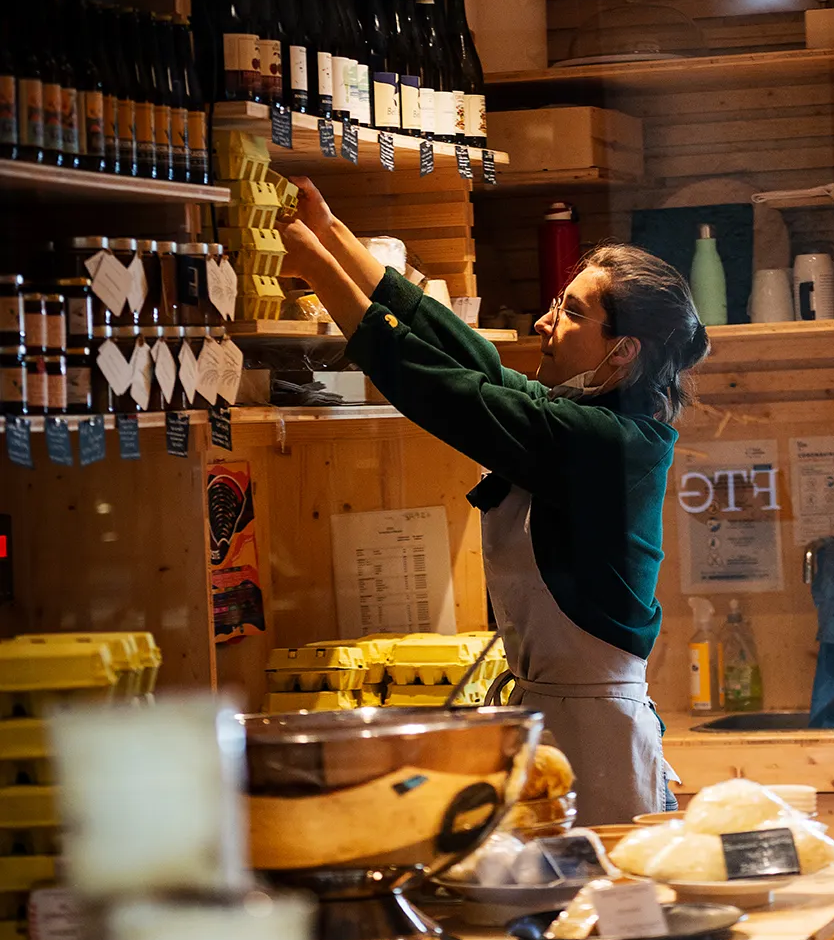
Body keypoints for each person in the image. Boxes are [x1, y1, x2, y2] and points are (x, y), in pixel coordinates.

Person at [277, 178, 710, 825]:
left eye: (569, 312)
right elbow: (469, 358)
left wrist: (314, 265)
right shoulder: (577, 418)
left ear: (622, 353)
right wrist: (334, 235)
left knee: (599, 918)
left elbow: (447, 392)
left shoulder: (604, 444)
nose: (543, 321)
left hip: (598, 743)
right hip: (550, 722)